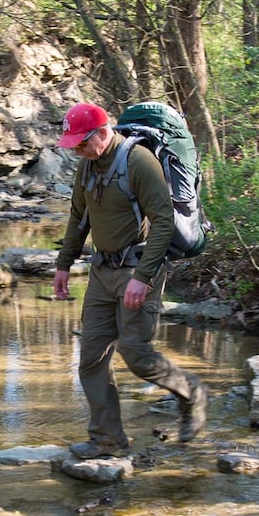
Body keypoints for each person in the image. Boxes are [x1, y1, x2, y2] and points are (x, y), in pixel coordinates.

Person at [52, 102, 208, 457]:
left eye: (81, 142)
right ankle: (108, 441)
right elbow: (79, 217)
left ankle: (192, 391)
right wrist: (64, 265)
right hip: (101, 272)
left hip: (137, 270)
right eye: (73, 143)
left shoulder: (138, 162)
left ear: (103, 133)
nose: (76, 149)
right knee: (91, 358)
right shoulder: (86, 167)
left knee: (136, 354)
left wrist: (144, 276)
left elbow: (163, 222)